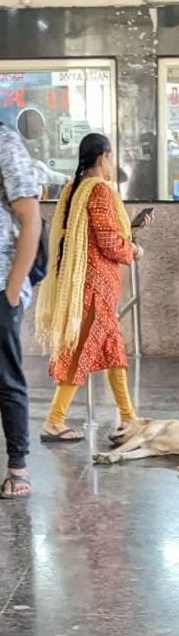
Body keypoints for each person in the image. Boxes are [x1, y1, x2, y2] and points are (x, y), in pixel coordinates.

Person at [36, 133, 151, 441]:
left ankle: (128, 417)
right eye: (112, 157)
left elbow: (98, 232)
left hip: (88, 285)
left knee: (114, 350)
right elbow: (110, 242)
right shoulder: (99, 191)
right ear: (103, 157)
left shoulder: (73, 189)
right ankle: (54, 421)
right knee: (79, 353)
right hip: (94, 290)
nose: (112, 163)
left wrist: (132, 228)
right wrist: (134, 251)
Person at [0, 123, 41, 499]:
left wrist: (12, 290)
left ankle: (18, 467)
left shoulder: (4, 142)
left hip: (0, 285)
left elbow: (31, 219)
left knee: (6, 379)